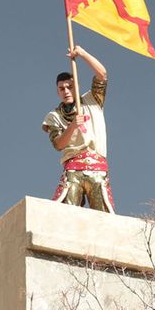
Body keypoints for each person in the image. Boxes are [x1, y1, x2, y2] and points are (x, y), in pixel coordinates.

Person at [42, 45, 114, 213]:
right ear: (57, 91)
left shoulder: (92, 100)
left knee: (103, 215)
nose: (66, 91)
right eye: (62, 88)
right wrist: (73, 125)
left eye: (70, 87)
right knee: (66, 213)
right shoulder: (54, 116)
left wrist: (81, 53)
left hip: (97, 167)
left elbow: (102, 74)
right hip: (73, 168)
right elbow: (58, 144)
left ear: (76, 87)